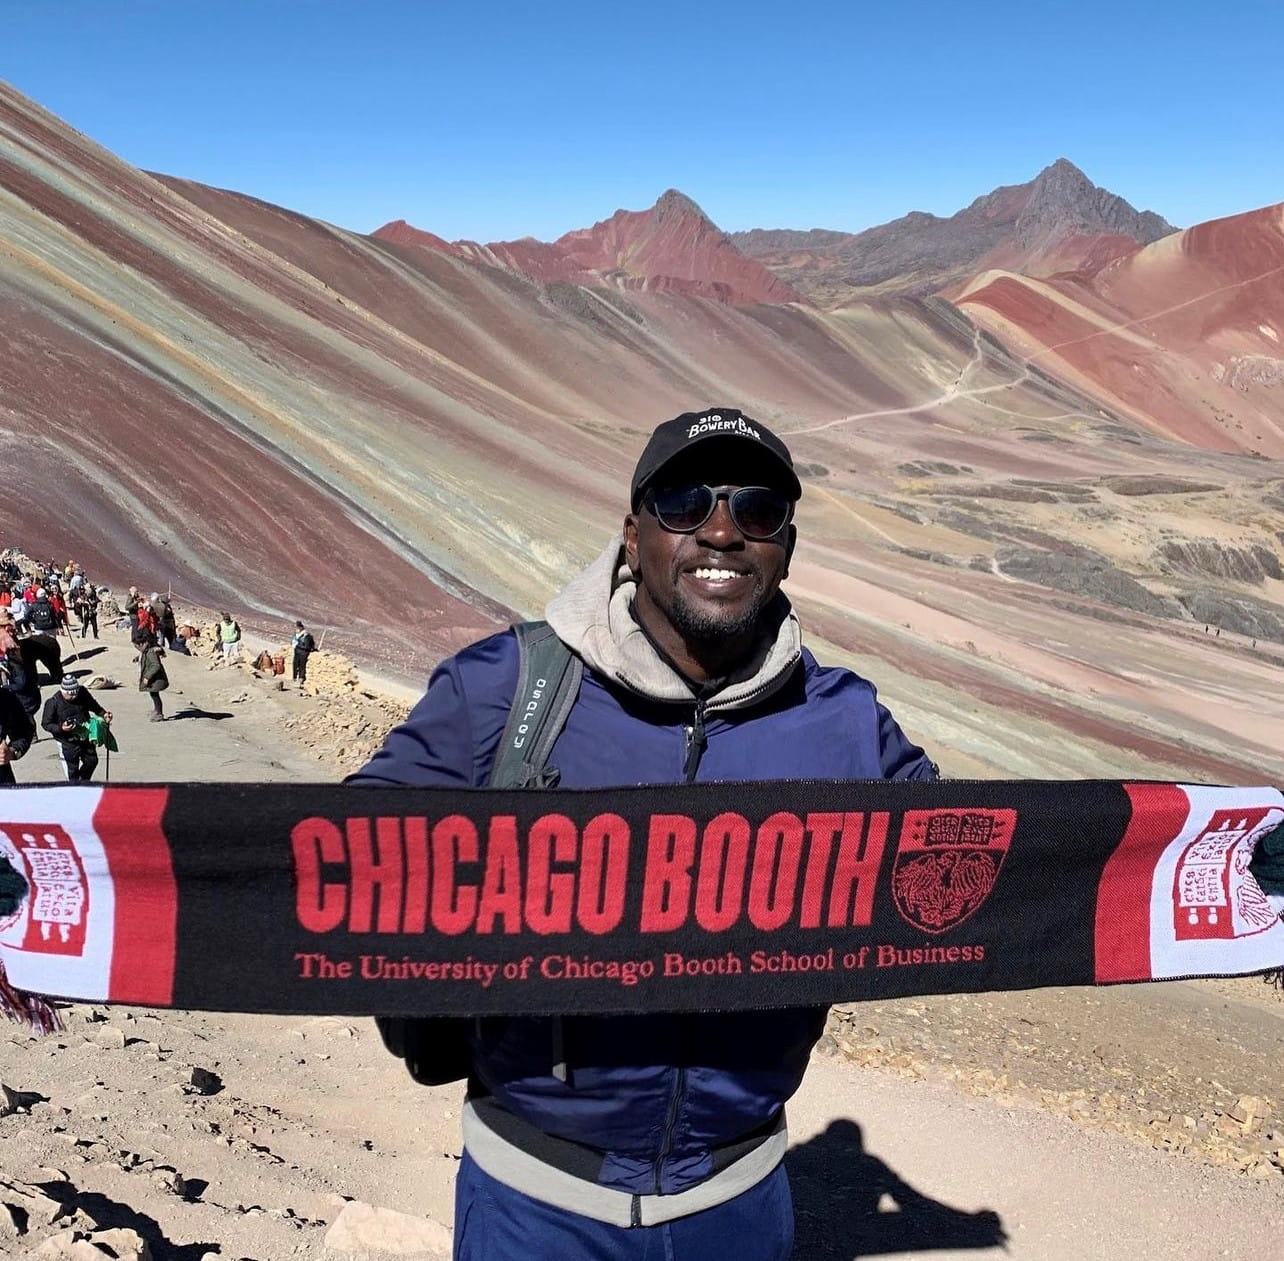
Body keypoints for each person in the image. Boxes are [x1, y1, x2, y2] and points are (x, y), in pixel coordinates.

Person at [351, 407, 937, 1261]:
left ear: (786, 548)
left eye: (758, 511)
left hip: (739, 1205)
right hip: (533, 1204)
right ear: (633, 537)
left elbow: (985, 862)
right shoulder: (506, 692)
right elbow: (336, 856)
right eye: (686, 502)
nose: (723, 531)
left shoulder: (842, 719)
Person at [42, 675, 111, 782]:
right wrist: (62, 728)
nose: (74, 696)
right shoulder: (53, 702)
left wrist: (104, 714)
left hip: (85, 735)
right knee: (72, 771)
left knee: (92, 761)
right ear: (63, 690)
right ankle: (75, 787)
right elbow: (46, 724)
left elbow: (93, 705)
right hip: (66, 742)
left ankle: (83, 781)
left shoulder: (82, 693)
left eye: (75, 692)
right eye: (70, 694)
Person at [133, 626, 169, 721]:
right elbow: (144, 657)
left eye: (136, 646)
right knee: (153, 694)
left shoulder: (151, 652)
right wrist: (137, 658)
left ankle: (159, 713)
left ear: (142, 644)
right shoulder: (146, 651)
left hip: (156, 679)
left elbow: (156, 665)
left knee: (155, 695)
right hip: (153, 679)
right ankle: (156, 710)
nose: (137, 648)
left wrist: (147, 677)